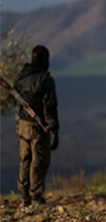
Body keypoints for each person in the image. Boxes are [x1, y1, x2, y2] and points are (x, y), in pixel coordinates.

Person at [13, 45, 59, 208]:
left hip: (22, 126)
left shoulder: (22, 77)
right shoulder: (45, 80)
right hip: (37, 128)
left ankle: (25, 195)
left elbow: (16, 103)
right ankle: (36, 197)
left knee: (25, 159)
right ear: (45, 59)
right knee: (39, 161)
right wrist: (54, 129)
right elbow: (50, 107)